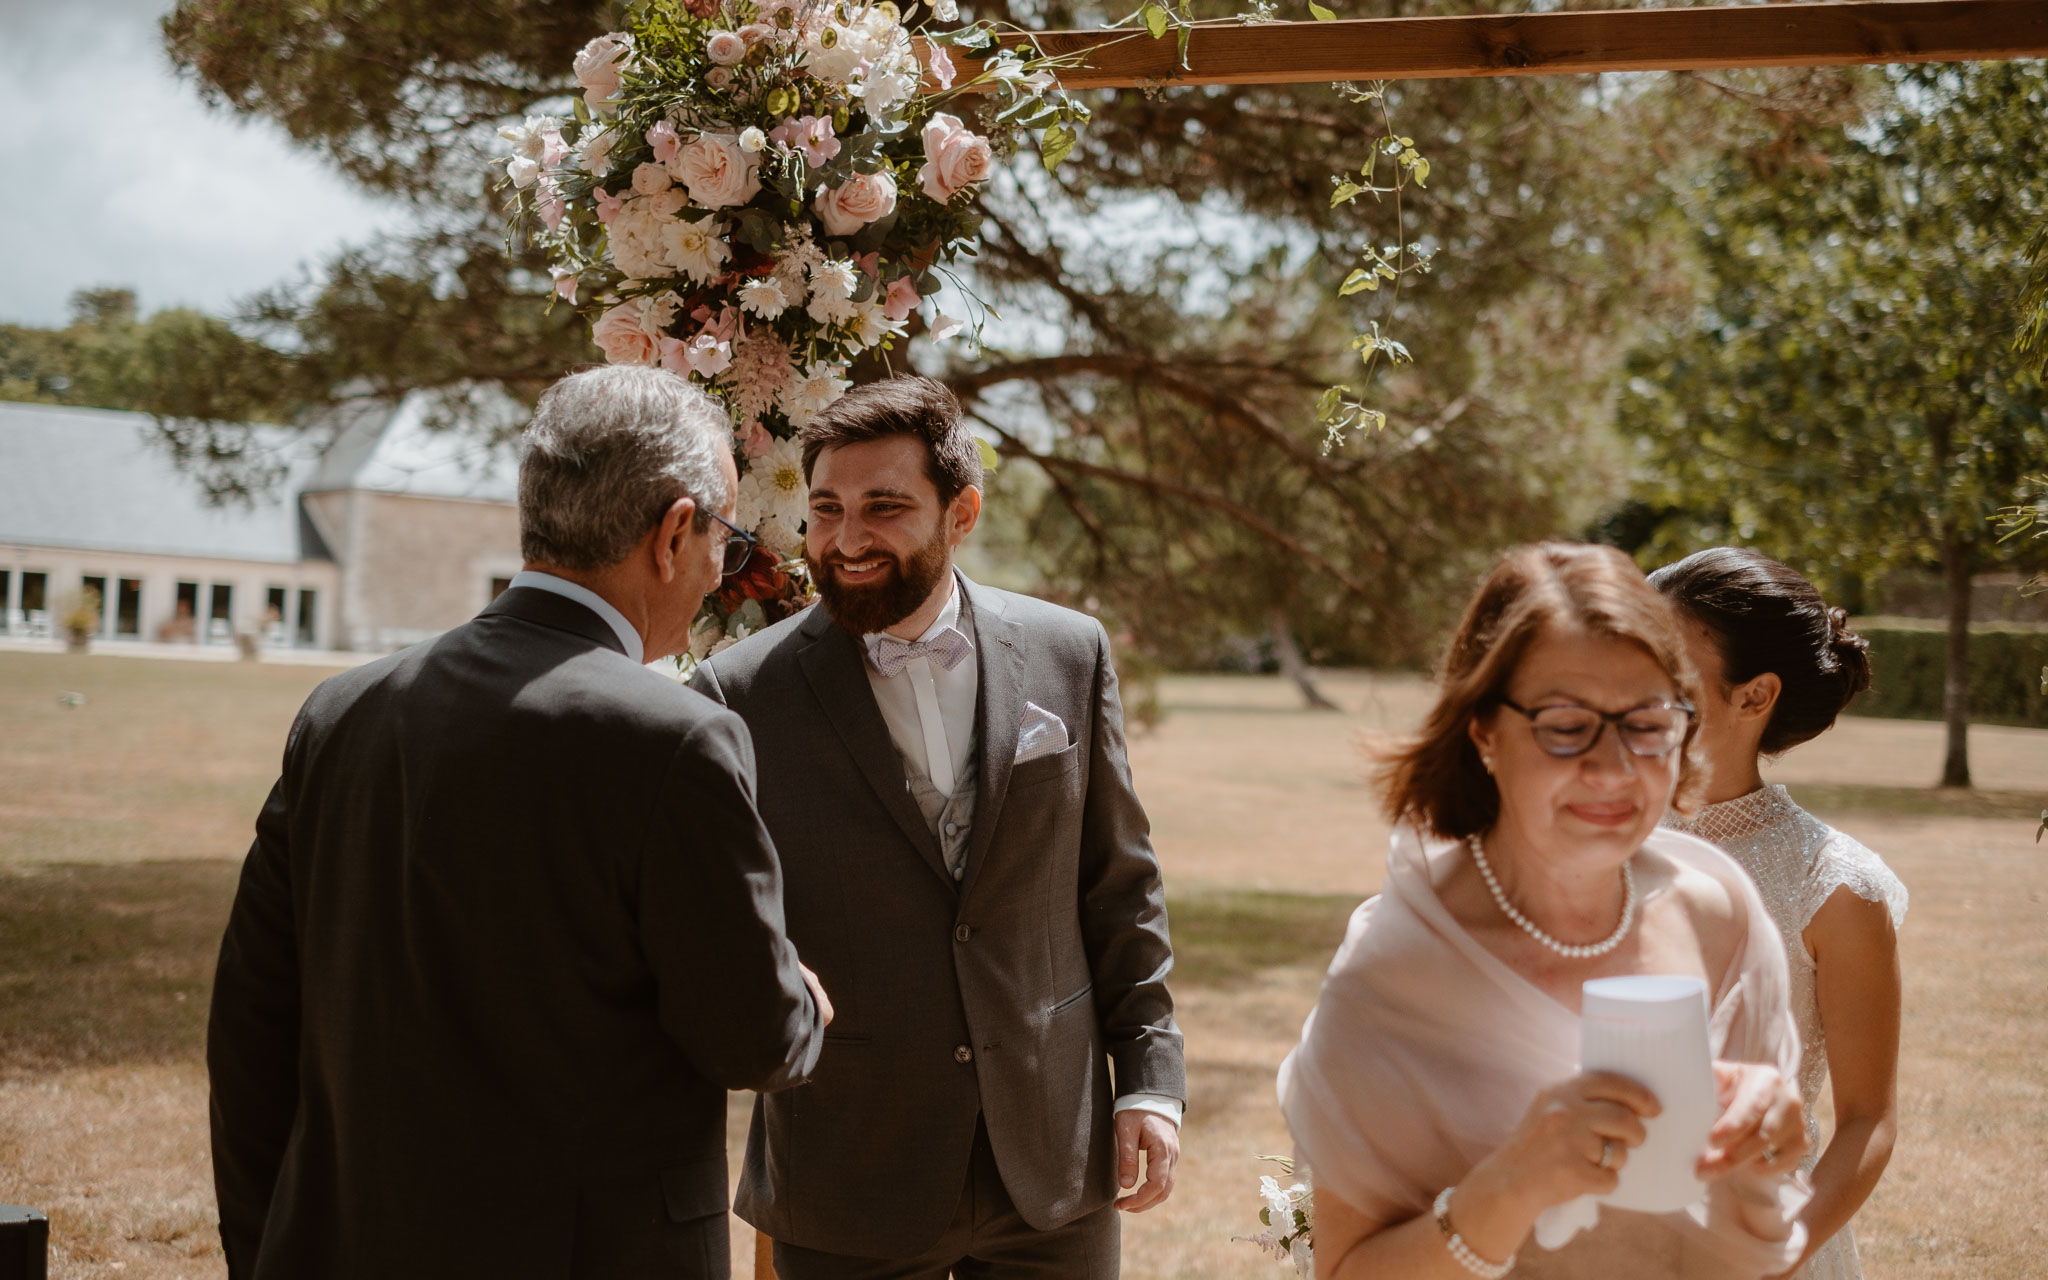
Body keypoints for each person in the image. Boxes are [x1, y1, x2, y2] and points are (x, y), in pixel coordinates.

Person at [206, 365, 831, 1280]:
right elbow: (748, 1033)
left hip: (346, 1242)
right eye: (725, 542)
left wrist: (266, 1249)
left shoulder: (342, 712)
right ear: (671, 534)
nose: (718, 574)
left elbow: (252, 1023)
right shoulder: (676, 738)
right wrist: (803, 1004)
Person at [690, 376, 1184, 1278]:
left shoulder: (1071, 652)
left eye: (885, 508)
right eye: (828, 510)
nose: (846, 540)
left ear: (963, 512)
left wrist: (1149, 1081)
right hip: (849, 1162)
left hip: (1052, 1156)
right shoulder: (740, 694)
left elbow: (1120, 887)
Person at [1278, 541, 1813, 1279]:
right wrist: (1512, 1183)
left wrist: (1766, 1140)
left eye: (1647, 722)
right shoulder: (1393, 972)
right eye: (1565, 725)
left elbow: (1746, 1226)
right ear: (1485, 733)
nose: (1614, 767)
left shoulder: (1718, 912)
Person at [1652, 547, 1907, 1280]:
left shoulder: (1832, 885)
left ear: (1754, 696)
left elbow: (1869, 1119)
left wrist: (1772, 1251)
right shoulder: (1595, 839)